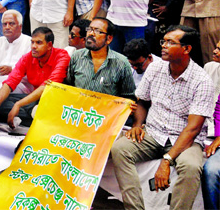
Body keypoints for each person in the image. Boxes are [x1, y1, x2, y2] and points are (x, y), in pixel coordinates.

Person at [111, 25, 215, 210]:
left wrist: (167, 160)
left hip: (185, 139)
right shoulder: (155, 69)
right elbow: (142, 100)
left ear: (186, 49)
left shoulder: (202, 81)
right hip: (153, 132)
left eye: (170, 42)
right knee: (120, 149)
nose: (164, 46)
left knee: (191, 167)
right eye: (164, 41)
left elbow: (193, 129)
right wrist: (137, 124)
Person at [0, 27, 70, 131]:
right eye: (32, 42)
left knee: (47, 109)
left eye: (39, 43)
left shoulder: (62, 56)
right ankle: (34, 115)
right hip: (33, 101)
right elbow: (10, 82)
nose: (33, 46)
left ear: (49, 45)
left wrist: (18, 104)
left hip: (53, 100)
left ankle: (25, 116)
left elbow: (47, 87)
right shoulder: (27, 58)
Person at [65, 17, 135, 98]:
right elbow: (69, 87)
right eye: (89, 29)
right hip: (80, 109)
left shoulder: (122, 63)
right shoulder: (76, 56)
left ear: (109, 39)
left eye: (97, 31)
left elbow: (128, 97)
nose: (91, 33)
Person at [203, 41, 220, 209]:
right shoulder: (209, 67)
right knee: (211, 170)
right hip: (208, 129)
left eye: (219, 49)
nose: (214, 51)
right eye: (216, 47)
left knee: (213, 169)